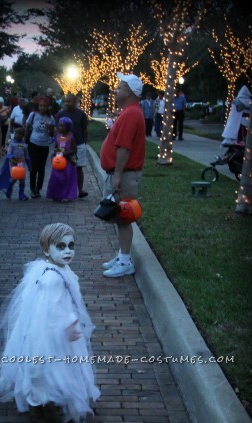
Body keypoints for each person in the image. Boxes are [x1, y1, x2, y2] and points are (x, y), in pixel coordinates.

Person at [0, 222, 100, 423]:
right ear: (45, 249)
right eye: (60, 246)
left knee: (39, 366)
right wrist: (70, 322)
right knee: (53, 365)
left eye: (71, 246)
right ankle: (49, 401)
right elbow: (52, 307)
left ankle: (36, 404)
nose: (68, 251)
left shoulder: (50, 269)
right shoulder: (53, 278)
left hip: (41, 329)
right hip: (53, 330)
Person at [99, 72, 145, 278]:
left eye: (119, 87)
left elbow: (124, 148)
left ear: (128, 92)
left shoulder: (130, 114)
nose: (115, 90)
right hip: (122, 173)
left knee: (123, 217)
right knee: (119, 217)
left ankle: (125, 261)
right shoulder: (129, 112)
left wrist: (117, 175)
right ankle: (122, 255)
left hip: (125, 174)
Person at [56, 94, 89, 198]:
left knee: (78, 168)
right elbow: (58, 129)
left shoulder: (81, 114)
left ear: (75, 101)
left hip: (79, 145)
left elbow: (84, 129)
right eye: (65, 101)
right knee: (64, 168)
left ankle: (80, 190)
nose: (67, 103)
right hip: (64, 146)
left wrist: (84, 142)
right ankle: (65, 190)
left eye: (69, 101)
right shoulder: (61, 114)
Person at [25, 97, 55, 198]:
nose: (42, 108)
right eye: (41, 106)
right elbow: (27, 127)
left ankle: (38, 189)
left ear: (47, 107)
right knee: (34, 167)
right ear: (38, 106)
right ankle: (32, 189)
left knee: (41, 168)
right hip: (33, 144)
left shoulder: (50, 118)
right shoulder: (33, 115)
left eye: (45, 106)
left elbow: (52, 134)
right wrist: (24, 140)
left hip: (44, 145)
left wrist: (49, 127)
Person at [0, 127, 31, 201]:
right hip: (12, 164)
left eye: (19, 134)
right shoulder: (12, 144)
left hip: (21, 164)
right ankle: (8, 190)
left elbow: (27, 156)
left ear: (22, 135)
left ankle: (21, 194)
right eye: (16, 133)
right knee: (14, 178)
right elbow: (8, 153)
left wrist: (30, 165)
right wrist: (13, 158)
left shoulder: (25, 145)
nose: (17, 135)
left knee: (22, 178)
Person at [46, 117, 78, 202]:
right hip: (58, 160)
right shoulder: (58, 136)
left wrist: (67, 153)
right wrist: (54, 153)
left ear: (68, 126)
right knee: (56, 177)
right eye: (59, 126)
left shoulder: (71, 137)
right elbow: (56, 147)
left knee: (66, 178)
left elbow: (75, 149)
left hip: (67, 161)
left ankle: (66, 195)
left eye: (62, 126)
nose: (60, 128)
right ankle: (56, 194)